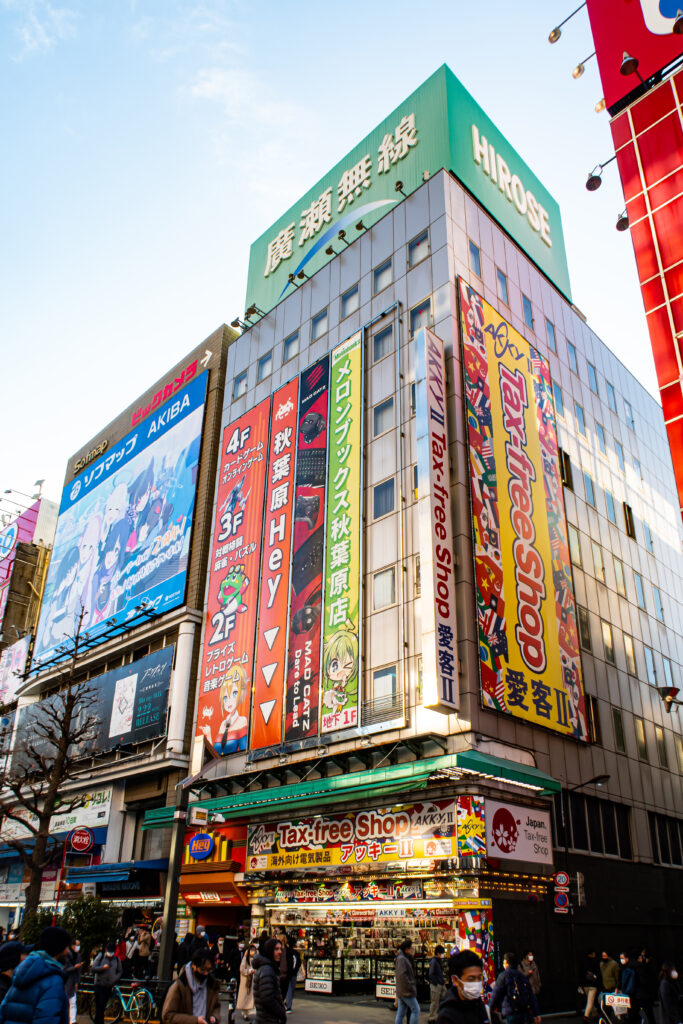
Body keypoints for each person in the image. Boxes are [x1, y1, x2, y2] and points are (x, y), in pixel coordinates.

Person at [0, 925, 71, 1024]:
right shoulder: (53, 981)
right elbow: (47, 1018)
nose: (68, 951)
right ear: (60, 948)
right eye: (67, 947)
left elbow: (3, 1010)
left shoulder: (20, 974)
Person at [161, 948, 221, 1024]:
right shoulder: (179, 986)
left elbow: (216, 1006)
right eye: (203, 969)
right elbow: (167, 1016)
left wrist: (214, 1017)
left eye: (209, 970)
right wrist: (195, 1020)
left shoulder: (212, 985)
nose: (206, 973)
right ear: (193, 966)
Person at [436, 949, 487, 1024]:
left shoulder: (485, 1011)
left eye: (479, 978)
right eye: (471, 979)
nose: (477, 983)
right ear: (455, 980)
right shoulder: (446, 1017)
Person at [490, 952, 541, 1024]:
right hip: (523, 1011)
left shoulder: (503, 976)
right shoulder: (521, 976)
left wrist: (489, 1010)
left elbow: (496, 994)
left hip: (511, 1012)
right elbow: (531, 996)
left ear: (506, 962)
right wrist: (536, 1013)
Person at [252, 938, 286, 1024]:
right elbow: (267, 999)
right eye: (276, 949)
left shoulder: (268, 968)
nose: (280, 952)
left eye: (280, 949)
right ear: (269, 951)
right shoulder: (267, 970)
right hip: (267, 1019)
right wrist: (281, 1013)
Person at [91, 940, 123, 1024]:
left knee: (102, 1006)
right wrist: (102, 968)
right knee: (100, 1006)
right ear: (106, 949)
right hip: (99, 985)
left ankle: (97, 1022)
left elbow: (120, 971)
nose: (110, 953)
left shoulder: (116, 959)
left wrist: (115, 979)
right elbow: (93, 968)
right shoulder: (101, 956)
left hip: (109, 986)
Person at [395, 938, 420, 1024]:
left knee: (401, 1013)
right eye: (410, 948)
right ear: (406, 949)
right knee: (416, 1009)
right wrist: (410, 985)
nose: (411, 950)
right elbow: (403, 975)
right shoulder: (402, 959)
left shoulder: (401, 957)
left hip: (402, 990)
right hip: (406, 991)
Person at [63, 938, 82, 1024]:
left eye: (79, 945)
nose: (78, 947)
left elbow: (79, 971)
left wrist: (77, 982)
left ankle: (73, 1021)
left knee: (73, 1002)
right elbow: (64, 969)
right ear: (72, 946)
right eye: (77, 945)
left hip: (73, 982)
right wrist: (74, 967)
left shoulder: (78, 956)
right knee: (66, 1002)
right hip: (66, 982)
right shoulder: (67, 955)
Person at [636, 949, 657, 1024]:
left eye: (643, 956)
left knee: (649, 1014)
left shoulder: (648, 967)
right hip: (640, 994)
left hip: (645, 995)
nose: (642, 958)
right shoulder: (638, 967)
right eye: (641, 956)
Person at [237, 944, 257, 1021]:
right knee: (245, 997)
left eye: (254, 950)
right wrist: (249, 971)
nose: (253, 952)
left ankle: (250, 1012)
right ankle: (245, 1014)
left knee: (251, 997)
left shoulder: (256, 959)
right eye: (251, 950)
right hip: (246, 981)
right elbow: (242, 969)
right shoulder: (245, 959)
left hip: (253, 981)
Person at [618, 951, 639, 1024]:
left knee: (631, 1010)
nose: (621, 960)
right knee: (629, 1010)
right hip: (627, 991)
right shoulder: (623, 968)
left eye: (622, 958)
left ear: (627, 958)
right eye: (620, 958)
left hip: (630, 991)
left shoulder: (630, 968)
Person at [581, 950, 601, 1022]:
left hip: (585, 984)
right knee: (590, 1001)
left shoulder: (583, 962)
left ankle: (595, 1014)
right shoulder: (595, 962)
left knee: (589, 1000)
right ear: (593, 954)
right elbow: (598, 974)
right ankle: (585, 1017)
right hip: (593, 985)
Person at [428, 945, 446, 1023]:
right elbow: (431, 974)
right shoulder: (434, 961)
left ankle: (437, 1016)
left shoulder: (438, 961)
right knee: (434, 1002)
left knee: (440, 1000)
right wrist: (436, 983)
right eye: (442, 953)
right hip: (436, 985)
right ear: (438, 953)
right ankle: (432, 1018)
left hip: (440, 984)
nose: (443, 955)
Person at [284, 940, 301, 1012]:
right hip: (293, 973)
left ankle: (288, 1003)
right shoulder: (295, 953)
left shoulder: (286, 952)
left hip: (288, 973)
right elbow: (299, 962)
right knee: (291, 989)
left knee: (289, 989)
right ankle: (289, 1005)